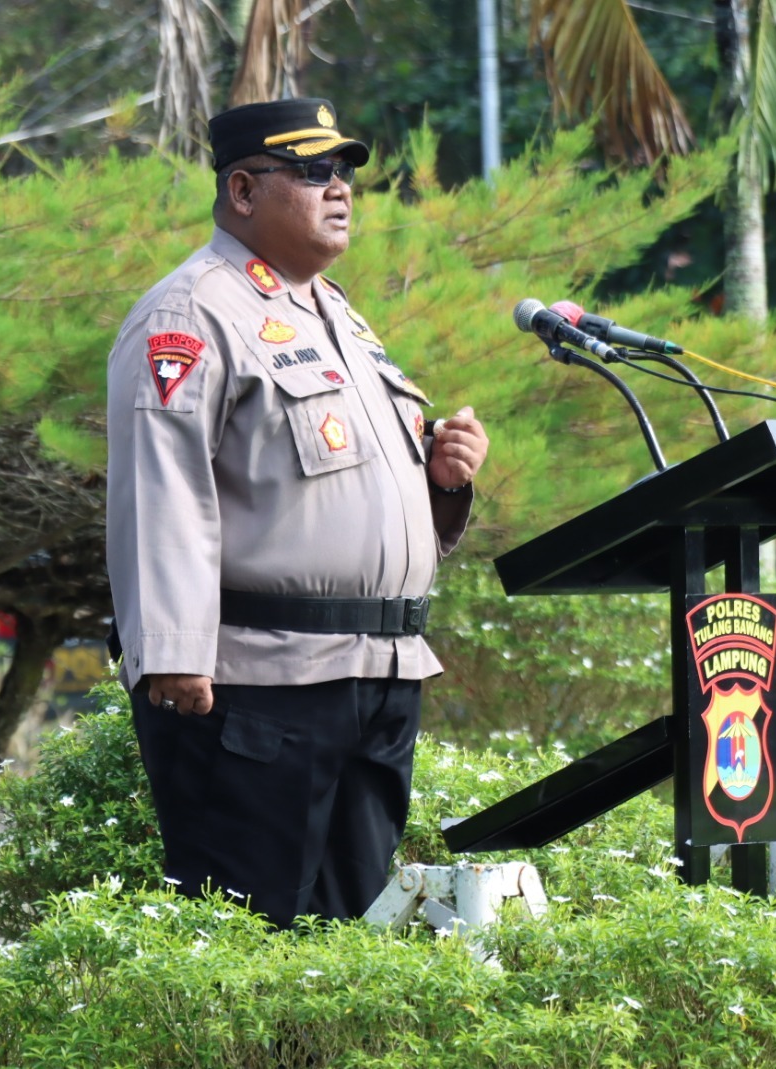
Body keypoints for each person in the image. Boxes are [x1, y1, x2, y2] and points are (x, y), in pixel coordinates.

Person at [104, 99, 490, 928]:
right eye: (313, 171)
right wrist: (171, 652)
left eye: (344, 171)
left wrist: (444, 479)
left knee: (352, 943)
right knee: (252, 939)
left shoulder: (339, 315)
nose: (340, 188)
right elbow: (161, 484)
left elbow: (341, 489)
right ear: (243, 190)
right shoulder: (192, 312)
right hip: (258, 685)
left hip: (377, 672)